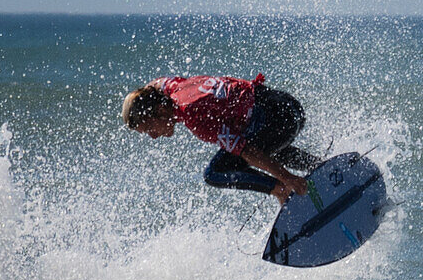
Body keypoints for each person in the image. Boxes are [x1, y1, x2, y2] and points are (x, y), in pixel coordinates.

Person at [121, 73, 320, 204]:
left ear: (160, 110)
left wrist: (286, 179)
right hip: (286, 105)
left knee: (216, 172)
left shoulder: (193, 115)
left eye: (149, 129)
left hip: (280, 119)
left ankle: (283, 190)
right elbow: (152, 86)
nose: (153, 136)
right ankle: (318, 166)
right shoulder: (168, 87)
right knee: (260, 143)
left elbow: (248, 151)